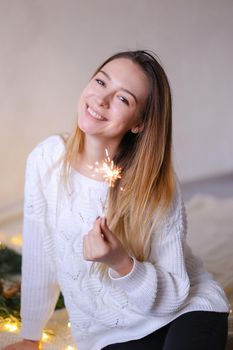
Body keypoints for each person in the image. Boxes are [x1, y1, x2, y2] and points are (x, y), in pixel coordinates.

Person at [4, 50, 229, 350]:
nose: (102, 99)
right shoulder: (46, 161)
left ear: (139, 123)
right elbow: (39, 255)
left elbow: (174, 295)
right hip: (109, 333)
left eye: (123, 99)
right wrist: (31, 336)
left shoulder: (154, 184)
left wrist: (120, 262)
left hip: (185, 309)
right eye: (100, 82)